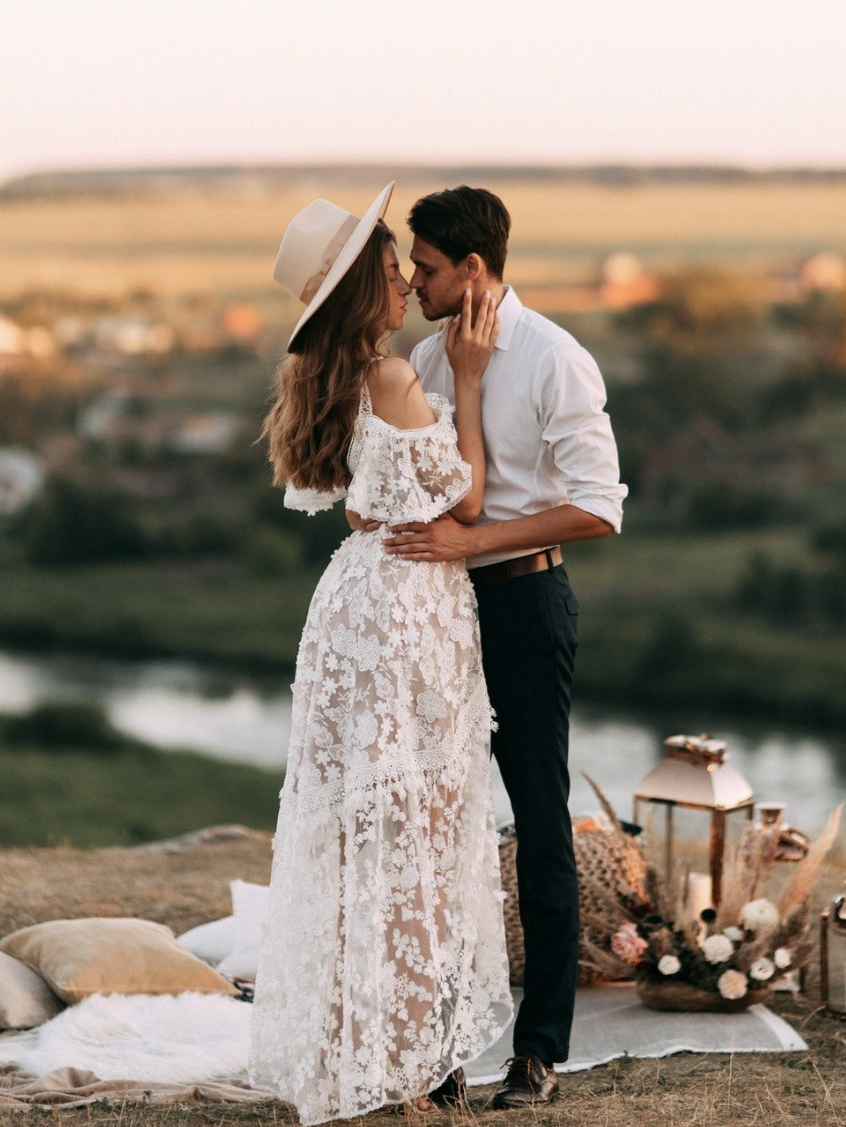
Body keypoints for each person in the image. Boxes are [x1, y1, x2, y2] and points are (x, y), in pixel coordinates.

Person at [248, 182, 513, 1126]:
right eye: (391, 269)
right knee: (421, 831)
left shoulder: (323, 378)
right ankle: (401, 1054)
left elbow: (359, 501)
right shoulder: (395, 377)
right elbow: (467, 503)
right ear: (365, 288)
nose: (405, 279)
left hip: (354, 602)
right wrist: (471, 381)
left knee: (360, 831)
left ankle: (357, 1040)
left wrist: (390, 500)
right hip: (407, 613)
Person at [377, 186, 627, 1109]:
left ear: (472, 269)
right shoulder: (421, 363)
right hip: (437, 614)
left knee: (538, 817)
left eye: (427, 267)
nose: (412, 281)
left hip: (524, 606)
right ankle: (438, 1050)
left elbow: (601, 506)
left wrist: (472, 543)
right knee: (439, 826)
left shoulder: (556, 358)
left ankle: (540, 1051)